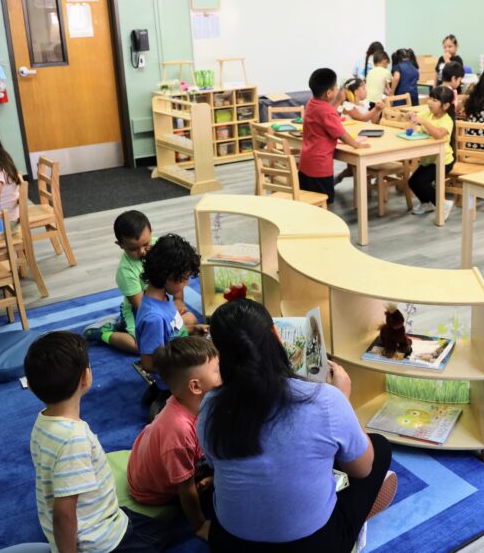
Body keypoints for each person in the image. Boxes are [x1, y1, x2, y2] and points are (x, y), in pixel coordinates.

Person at [199, 299, 396, 550]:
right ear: (275, 334)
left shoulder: (210, 404)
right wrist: (344, 401)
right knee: (378, 448)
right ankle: (352, 524)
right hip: (313, 546)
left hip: (228, 544)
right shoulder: (326, 400)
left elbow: (216, 464)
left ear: (219, 354)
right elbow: (362, 469)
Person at [25, 331, 163, 553]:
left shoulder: (43, 421)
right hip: (100, 542)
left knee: (159, 531)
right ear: (85, 377)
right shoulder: (74, 438)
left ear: (30, 385)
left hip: (103, 516)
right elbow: (64, 513)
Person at [127, 337, 221, 542]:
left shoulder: (194, 403)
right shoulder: (179, 432)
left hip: (157, 453)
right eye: (217, 370)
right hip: (152, 490)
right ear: (196, 387)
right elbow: (185, 489)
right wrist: (200, 525)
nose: (223, 373)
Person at [84, 211, 196, 354]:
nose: (142, 251)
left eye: (146, 244)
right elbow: (142, 308)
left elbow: (175, 270)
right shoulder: (125, 272)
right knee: (140, 347)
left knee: (191, 319)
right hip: (137, 310)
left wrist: (179, 300)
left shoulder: (159, 246)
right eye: (133, 249)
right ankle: (104, 333)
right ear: (120, 245)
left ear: (151, 233)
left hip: (162, 302)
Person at [136, 233, 207, 416]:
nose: (187, 283)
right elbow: (148, 363)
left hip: (177, 359)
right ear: (168, 277)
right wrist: (186, 364)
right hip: (174, 376)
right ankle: (165, 400)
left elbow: (171, 333)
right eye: (183, 278)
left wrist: (191, 331)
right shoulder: (153, 318)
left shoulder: (162, 298)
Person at [299, 68, 370, 203]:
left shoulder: (311, 103)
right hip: (320, 168)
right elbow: (341, 134)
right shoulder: (326, 111)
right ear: (329, 93)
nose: (338, 88)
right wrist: (357, 145)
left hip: (306, 163)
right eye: (336, 86)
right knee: (325, 203)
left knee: (309, 203)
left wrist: (337, 100)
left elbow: (326, 114)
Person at [408, 86, 455, 219]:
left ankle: (442, 204)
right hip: (428, 159)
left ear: (445, 105)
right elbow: (416, 122)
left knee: (422, 182)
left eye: (434, 100)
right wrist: (412, 118)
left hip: (443, 161)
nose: (429, 102)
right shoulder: (427, 113)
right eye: (430, 98)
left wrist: (424, 122)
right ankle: (426, 203)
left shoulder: (447, 120)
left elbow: (439, 134)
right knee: (413, 182)